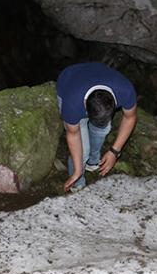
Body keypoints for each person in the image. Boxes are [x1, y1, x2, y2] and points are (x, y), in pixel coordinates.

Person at [56, 62, 138, 191]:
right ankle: (78, 185)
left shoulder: (125, 91)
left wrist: (114, 152)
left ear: (114, 102)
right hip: (69, 79)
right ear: (84, 105)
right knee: (82, 152)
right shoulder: (72, 105)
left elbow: (130, 117)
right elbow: (73, 134)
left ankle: (92, 161)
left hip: (98, 73)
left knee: (103, 129)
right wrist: (77, 171)